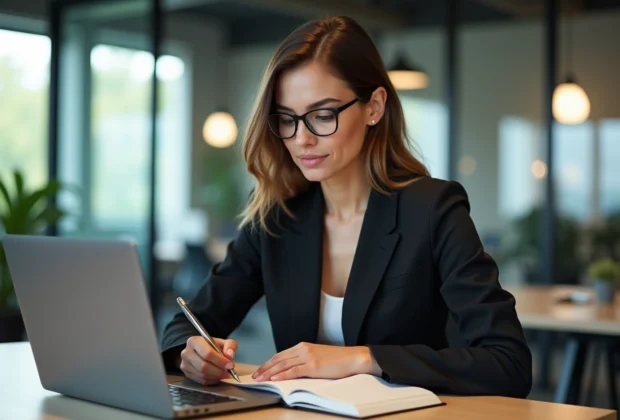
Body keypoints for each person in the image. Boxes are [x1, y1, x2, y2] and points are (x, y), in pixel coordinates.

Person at [161, 15, 532, 398]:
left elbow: (508, 363)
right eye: (287, 119)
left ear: (374, 107)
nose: (302, 139)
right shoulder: (277, 217)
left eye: (322, 116)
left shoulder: (433, 210)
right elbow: (185, 324)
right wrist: (190, 353)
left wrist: (362, 359)